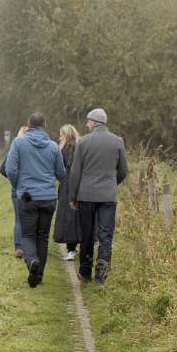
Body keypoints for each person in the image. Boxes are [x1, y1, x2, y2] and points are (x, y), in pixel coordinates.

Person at [60, 107, 128, 284]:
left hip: (86, 196)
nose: (86, 124)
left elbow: (75, 172)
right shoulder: (118, 141)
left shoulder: (83, 142)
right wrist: (111, 183)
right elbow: (123, 171)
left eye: (88, 121)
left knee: (87, 233)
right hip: (108, 196)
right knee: (106, 234)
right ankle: (102, 270)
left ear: (94, 122)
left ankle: (84, 271)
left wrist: (74, 196)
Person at [1, 114, 65, 286]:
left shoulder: (19, 142)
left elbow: (10, 169)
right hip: (48, 198)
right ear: (45, 125)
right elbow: (61, 173)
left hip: (27, 196)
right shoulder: (53, 146)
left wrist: (19, 186)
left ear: (29, 125)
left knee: (28, 234)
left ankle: (32, 262)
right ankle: (39, 276)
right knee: (43, 237)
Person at [54, 124, 84, 262]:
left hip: (67, 186)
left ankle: (71, 250)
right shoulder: (80, 147)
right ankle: (79, 245)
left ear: (66, 135)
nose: (60, 137)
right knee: (79, 217)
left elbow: (60, 169)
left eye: (61, 134)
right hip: (81, 185)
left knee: (68, 217)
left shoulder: (64, 149)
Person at [0, 123, 31, 258]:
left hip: (17, 189)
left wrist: (14, 180)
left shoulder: (14, 149)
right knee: (30, 218)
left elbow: (3, 169)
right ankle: (29, 246)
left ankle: (18, 247)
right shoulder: (32, 150)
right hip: (31, 188)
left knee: (18, 219)